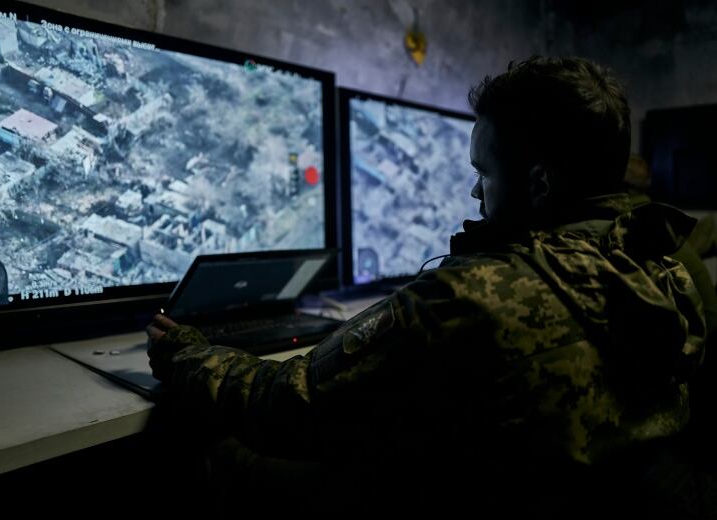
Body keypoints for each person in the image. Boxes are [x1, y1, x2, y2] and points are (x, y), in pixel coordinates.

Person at [147, 56, 707, 517]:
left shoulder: (468, 297)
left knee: (209, 444)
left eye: (483, 173)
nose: (474, 195)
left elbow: (289, 403)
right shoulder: (673, 261)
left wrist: (185, 352)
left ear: (538, 183)